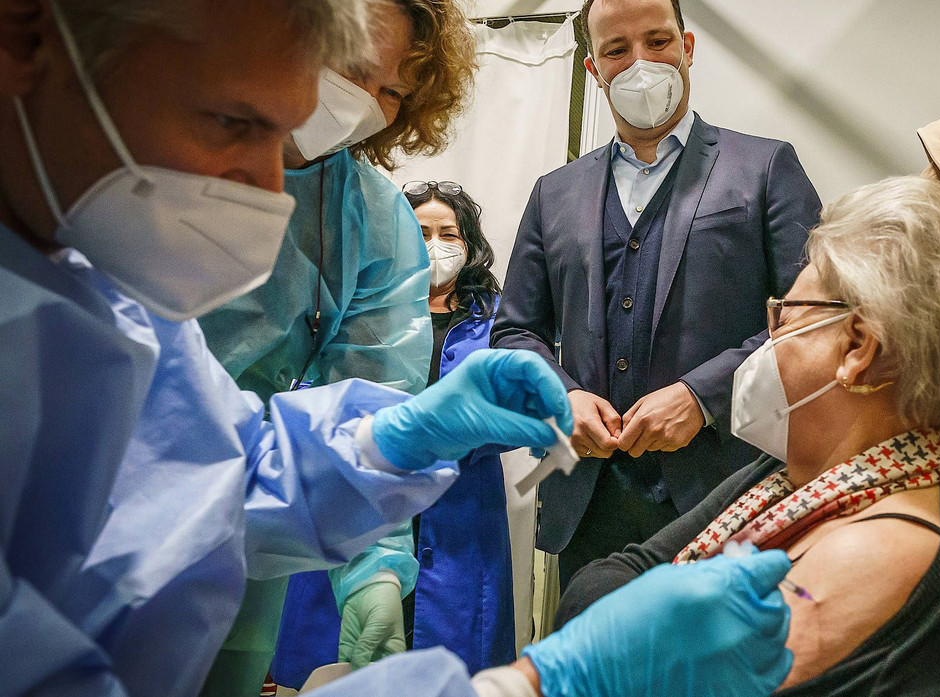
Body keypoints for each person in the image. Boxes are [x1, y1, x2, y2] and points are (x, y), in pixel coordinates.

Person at [0, 1, 799, 697]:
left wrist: (392, 444)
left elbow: (208, 478)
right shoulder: (561, 192)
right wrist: (536, 682)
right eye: (233, 123)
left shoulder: (91, 287)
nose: (273, 189)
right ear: (27, 38)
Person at [555, 177, 940, 695]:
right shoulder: (797, 475)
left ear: (859, 347)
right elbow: (613, 577)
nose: (769, 342)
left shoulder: (877, 552)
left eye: (785, 319)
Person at [193, 1, 475, 691]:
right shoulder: (173, 149)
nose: (361, 105)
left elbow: (371, 404)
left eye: (392, 91)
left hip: (250, 527)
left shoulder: (371, 219)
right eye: (350, 68)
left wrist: (375, 567)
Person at [492, 0, 823, 585]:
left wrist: (703, 397)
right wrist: (560, 397)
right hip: (587, 508)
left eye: (658, 41)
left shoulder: (765, 168)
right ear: (594, 69)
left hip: (726, 500)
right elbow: (515, 330)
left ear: (687, 48)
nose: (640, 62)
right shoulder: (554, 193)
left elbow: (814, 319)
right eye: (617, 50)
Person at [401, 180, 514, 673]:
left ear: (469, 245)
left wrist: (462, 431)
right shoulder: (368, 307)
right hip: (376, 504)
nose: (435, 245)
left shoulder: (500, 319)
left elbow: (524, 408)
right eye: (421, 232)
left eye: (448, 234)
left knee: (454, 666)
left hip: (463, 513)